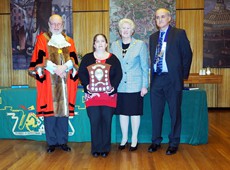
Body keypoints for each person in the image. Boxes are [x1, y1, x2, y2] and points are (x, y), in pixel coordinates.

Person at [28, 14, 79, 153]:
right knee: (50, 114)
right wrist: (56, 69)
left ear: (63, 25)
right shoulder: (42, 40)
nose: (56, 26)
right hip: (49, 80)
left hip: (65, 81)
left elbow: (74, 59)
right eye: (53, 24)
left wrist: (65, 68)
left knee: (63, 113)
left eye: (59, 24)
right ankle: (51, 142)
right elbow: (39, 58)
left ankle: (62, 141)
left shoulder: (69, 41)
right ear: (49, 25)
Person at [148, 8, 192, 155]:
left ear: (169, 18)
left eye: (162, 17)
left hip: (173, 80)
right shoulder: (153, 37)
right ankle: (156, 141)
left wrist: (182, 76)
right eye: (157, 17)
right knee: (156, 112)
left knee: (174, 113)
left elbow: (187, 55)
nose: (159, 20)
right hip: (157, 80)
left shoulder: (179, 34)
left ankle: (174, 142)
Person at [78, 34, 122, 158]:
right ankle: (96, 148)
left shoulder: (113, 59)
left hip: (109, 96)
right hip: (92, 97)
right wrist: (87, 86)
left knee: (106, 122)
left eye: (102, 41)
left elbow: (119, 74)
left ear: (106, 44)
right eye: (97, 41)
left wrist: (113, 87)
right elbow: (81, 73)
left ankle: (105, 148)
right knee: (95, 121)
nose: (100, 43)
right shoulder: (87, 58)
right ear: (94, 44)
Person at [110, 18, 149, 151]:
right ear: (119, 31)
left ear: (132, 31)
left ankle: (134, 139)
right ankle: (124, 138)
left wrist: (145, 85)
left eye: (128, 28)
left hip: (135, 85)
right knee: (123, 113)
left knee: (134, 113)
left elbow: (145, 66)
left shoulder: (140, 45)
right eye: (123, 28)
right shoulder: (114, 45)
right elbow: (112, 67)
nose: (125, 31)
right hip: (120, 85)